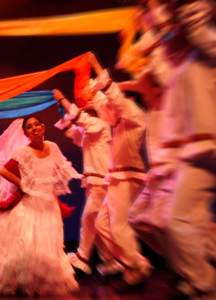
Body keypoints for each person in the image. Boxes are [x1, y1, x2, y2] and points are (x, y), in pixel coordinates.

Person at [0, 115, 82, 296]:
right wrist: (23, 183)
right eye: (29, 127)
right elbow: (4, 170)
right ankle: (22, 284)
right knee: (27, 244)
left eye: (37, 124)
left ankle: (37, 284)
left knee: (46, 246)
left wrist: (50, 186)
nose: (34, 128)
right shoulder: (23, 152)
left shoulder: (52, 147)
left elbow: (59, 169)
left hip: (48, 205)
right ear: (26, 133)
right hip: (29, 204)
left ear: (43, 127)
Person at [155, 1, 216, 298]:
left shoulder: (208, 50)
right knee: (177, 219)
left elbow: (200, 32)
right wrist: (166, 161)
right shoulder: (184, 67)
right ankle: (205, 286)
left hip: (207, 149)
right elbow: (175, 119)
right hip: (200, 154)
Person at [86, 53, 152, 291]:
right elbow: (107, 107)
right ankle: (134, 265)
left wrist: (95, 66)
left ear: (131, 97)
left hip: (128, 176)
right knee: (103, 225)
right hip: (118, 176)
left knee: (118, 226)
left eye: (123, 94)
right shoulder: (123, 118)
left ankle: (137, 267)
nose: (118, 98)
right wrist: (92, 90)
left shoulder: (135, 115)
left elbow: (115, 102)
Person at [53, 89, 124, 277]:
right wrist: (62, 109)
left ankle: (84, 256)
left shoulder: (101, 124)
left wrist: (62, 98)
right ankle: (111, 261)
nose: (86, 104)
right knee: (97, 223)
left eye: (90, 102)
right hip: (93, 180)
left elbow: (80, 119)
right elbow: (73, 131)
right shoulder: (89, 128)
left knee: (89, 217)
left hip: (102, 179)